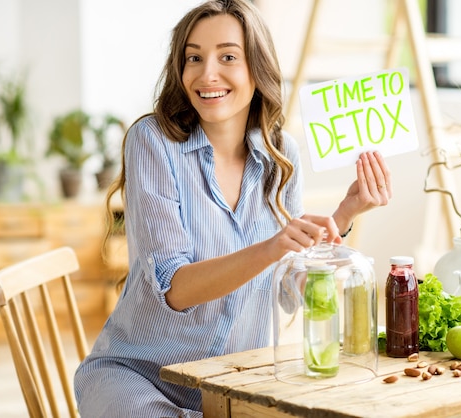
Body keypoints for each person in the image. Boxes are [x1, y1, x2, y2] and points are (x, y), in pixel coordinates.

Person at [74, 0, 392, 416]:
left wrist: (343, 216)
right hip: (140, 376)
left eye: (228, 57)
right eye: (194, 58)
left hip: (235, 382)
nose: (207, 74)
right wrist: (271, 248)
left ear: (256, 69)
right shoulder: (152, 142)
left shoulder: (282, 154)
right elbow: (175, 289)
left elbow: (290, 291)